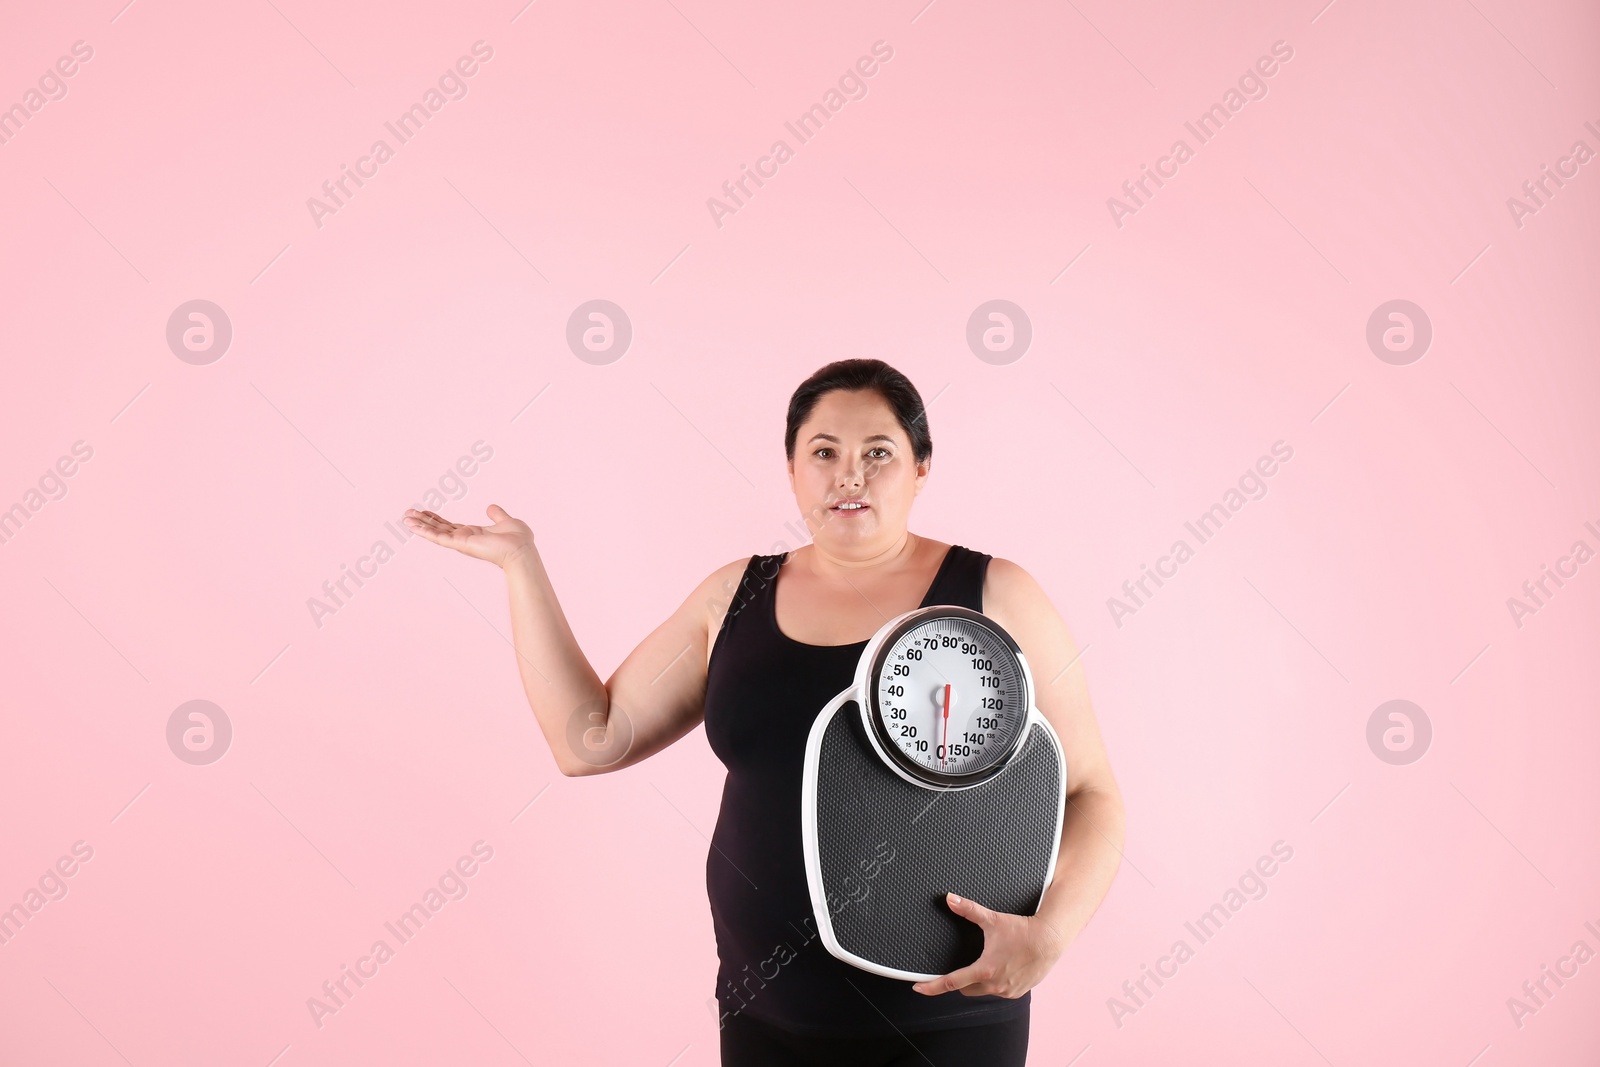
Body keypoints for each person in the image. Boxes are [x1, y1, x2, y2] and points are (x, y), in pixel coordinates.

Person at [404, 358, 1125, 1066]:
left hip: (949, 1017)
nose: (850, 474)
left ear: (922, 468)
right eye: (824, 452)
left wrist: (1051, 934)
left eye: (879, 452)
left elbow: (1091, 789)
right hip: (765, 1015)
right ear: (791, 470)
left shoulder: (996, 593)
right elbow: (588, 739)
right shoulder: (734, 596)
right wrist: (520, 567)